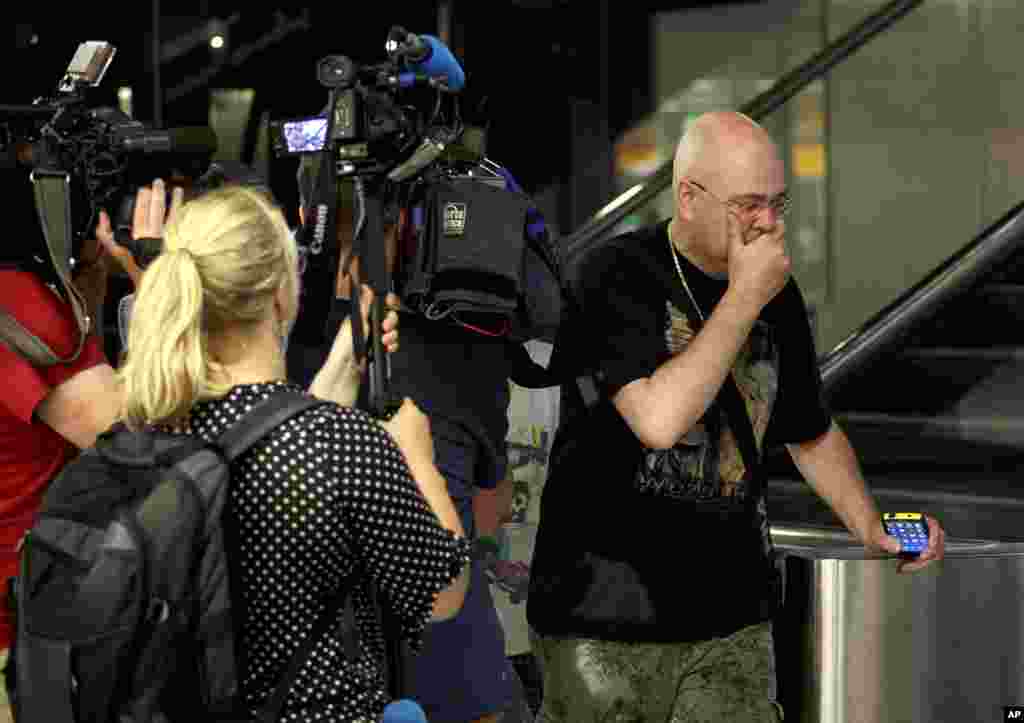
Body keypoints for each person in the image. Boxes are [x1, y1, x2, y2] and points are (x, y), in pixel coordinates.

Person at [525, 111, 947, 722]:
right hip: (604, 621)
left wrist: (870, 526)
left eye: (779, 203)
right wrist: (745, 296)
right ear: (689, 197)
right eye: (749, 205)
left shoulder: (778, 292)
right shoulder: (613, 275)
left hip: (732, 620)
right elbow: (659, 421)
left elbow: (810, 430)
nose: (770, 224)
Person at [115, 183, 470, 721]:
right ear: (282, 296)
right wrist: (417, 458)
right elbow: (442, 593)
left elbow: (263, 438)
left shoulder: (146, 429)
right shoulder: (338, 444)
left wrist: (339, 367)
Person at [288, 164, 528, 723]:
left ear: (306, 219)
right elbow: (491, 516)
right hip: (458, 672)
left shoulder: (272, 343)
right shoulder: (466, 343)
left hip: (321, 685)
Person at [0, 170, 178, 723]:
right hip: (18, 637)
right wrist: (157, 278)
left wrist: (85, 295)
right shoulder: (16, 300)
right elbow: (141, 444)